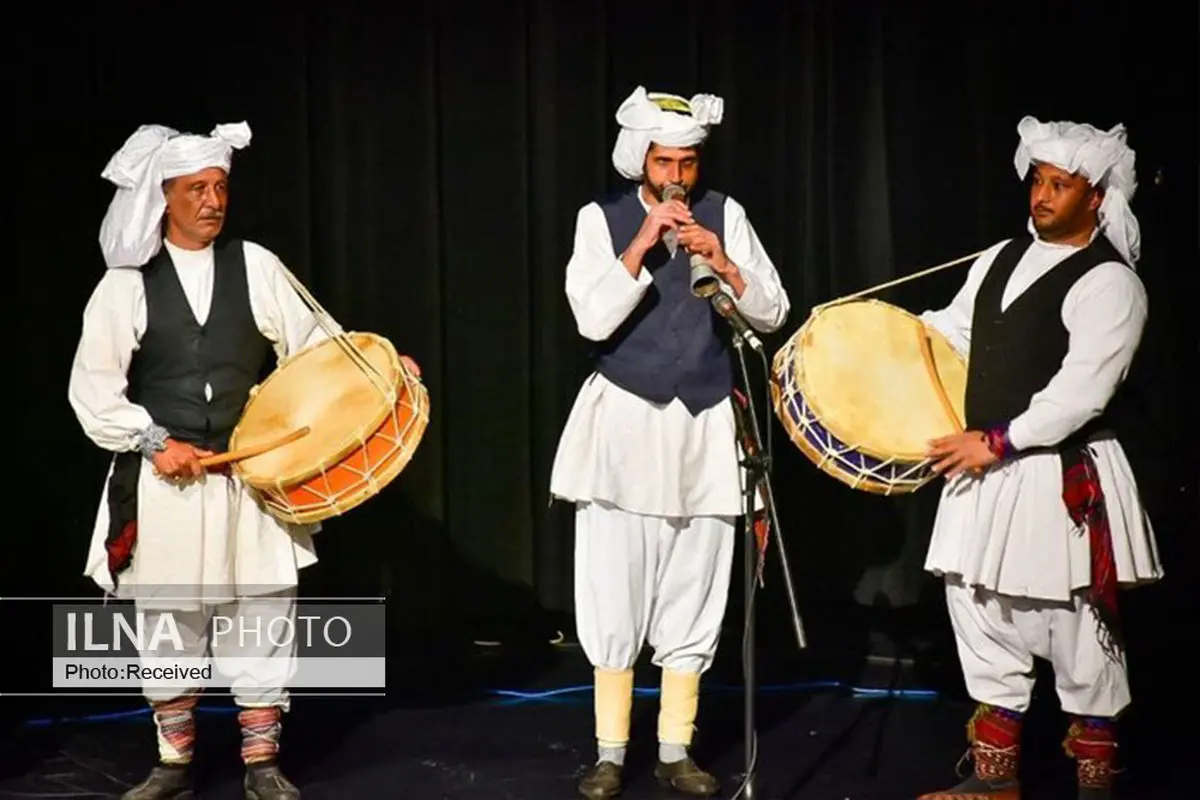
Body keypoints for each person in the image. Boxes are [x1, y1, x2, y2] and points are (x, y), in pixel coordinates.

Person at [67, 122, 420, 800]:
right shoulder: (125, 285)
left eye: (221, 187)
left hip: (248, 480)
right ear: (162, 196)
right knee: (171, 622)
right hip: (167, 482)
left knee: (260, 615)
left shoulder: (255, 264)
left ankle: (262, 764)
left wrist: (379, 372)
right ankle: (173, 765)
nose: (212, 200)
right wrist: (154, 442)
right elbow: (92, 386)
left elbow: (319, 350)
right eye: (196, 188)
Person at [549, 86, 790, 799]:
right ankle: (610, 750)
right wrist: (645, 241)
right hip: (625, 423)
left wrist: (726, 262)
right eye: (665, 162)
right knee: (613, 588)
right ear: (641, 160)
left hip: (704, 423)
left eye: (687, 162)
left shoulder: (727, 214)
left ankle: (677, 747)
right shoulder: (601, 218)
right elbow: (591, 320)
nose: (677, 177)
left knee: (695, 585)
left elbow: (771, 312)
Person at [915, 116, 1163, 800]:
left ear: (1098, 197)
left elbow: (1082, 392)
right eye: (1038, 180)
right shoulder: (998, 258)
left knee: (1074, 624)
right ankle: (996, 783)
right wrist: (881, 342)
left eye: (1061, 184)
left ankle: (1095, 785)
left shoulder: (1112, 285)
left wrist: (994, 441)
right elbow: (948, 333)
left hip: (1056, 472)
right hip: (983, 470)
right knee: (977, 604)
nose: (1043, 195)